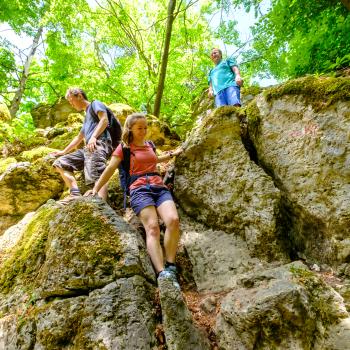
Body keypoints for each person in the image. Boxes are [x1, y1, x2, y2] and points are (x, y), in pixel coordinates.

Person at [87, 113, 183, 287]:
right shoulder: (124, 148)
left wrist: (172, 154)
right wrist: (95, 189)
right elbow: (109, 169)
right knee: (152, 228)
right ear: (130, 128)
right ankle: (162, 273)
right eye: (140, 128)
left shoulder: (150, 145)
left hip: (159, 187)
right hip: (139, 190)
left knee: (173, 220)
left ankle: (171, 265)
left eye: (145, 128)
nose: (144, 131)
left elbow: (154, 158)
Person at [50, 88, 114, 204]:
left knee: (96, 171)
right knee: (60, 163)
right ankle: (75, 193)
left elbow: (104, 120)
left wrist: (94, 137)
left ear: (79, 96)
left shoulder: (95, 104)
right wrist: (63, 152)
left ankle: (102, 207)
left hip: (99, 143)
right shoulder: (86, 119)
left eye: (71, 100)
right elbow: (79, 137)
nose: (71, 104)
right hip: (88, 148)